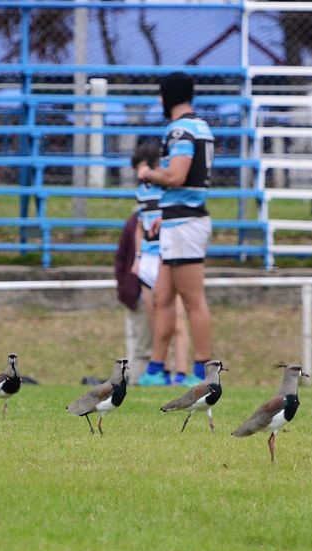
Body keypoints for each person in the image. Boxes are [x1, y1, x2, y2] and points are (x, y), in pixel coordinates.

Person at [135, 72, 214, 387]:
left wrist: (149, 173)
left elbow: (177, 176)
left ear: (169, 96)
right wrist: (162, 215)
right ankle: (156, 371)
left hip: (185, 223)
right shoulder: (200, 126)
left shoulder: (179, 130)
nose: (158, 100)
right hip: (177, 219)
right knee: (162, 297)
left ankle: (203, 371)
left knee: (193, 300)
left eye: (160, 94)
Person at [130, 142, 194, 386]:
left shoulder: (169, 189)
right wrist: (137, 259)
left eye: (142, 167)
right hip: (147, 258)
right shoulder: (141, 191)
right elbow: (140, 225)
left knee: (176, 319)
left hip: (166, 257)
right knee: (155, 319)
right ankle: (162, 372)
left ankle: (181, 372)